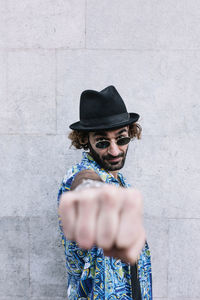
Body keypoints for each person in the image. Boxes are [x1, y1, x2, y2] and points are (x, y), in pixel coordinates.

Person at [57, 85, 153, 299]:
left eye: (122, 139)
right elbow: (84, 186)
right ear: (85, 141)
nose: (114, 150)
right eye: (102, 142)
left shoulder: (119, 180)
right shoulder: (80, 175)